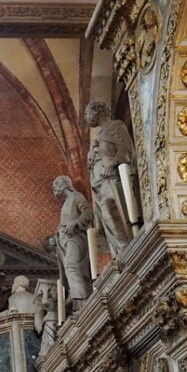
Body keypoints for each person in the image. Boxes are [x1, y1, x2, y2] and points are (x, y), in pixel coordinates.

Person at [85, 100, 137, 258]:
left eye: (88, 113)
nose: (87, 117)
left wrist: (112, 164)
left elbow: (127, 149)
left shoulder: (116, 126)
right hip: (99, 182)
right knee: (106, 216)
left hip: (111, 179)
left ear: (97, 111)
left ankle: (126, 246)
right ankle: (120, 249)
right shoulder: (99, 134)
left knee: (111, 209)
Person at [49, 176, 93, 303]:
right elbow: (63, 224)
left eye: (56, 183)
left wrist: (75, 223)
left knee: (71, 266)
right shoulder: (66, 203)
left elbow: (88, 213)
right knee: (70, 267)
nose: (54, 186)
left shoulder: (76, 196)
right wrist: (55, 238)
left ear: (65, 184)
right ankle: (78, 298)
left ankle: (82, 300)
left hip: (75, 238)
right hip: (65, 241)